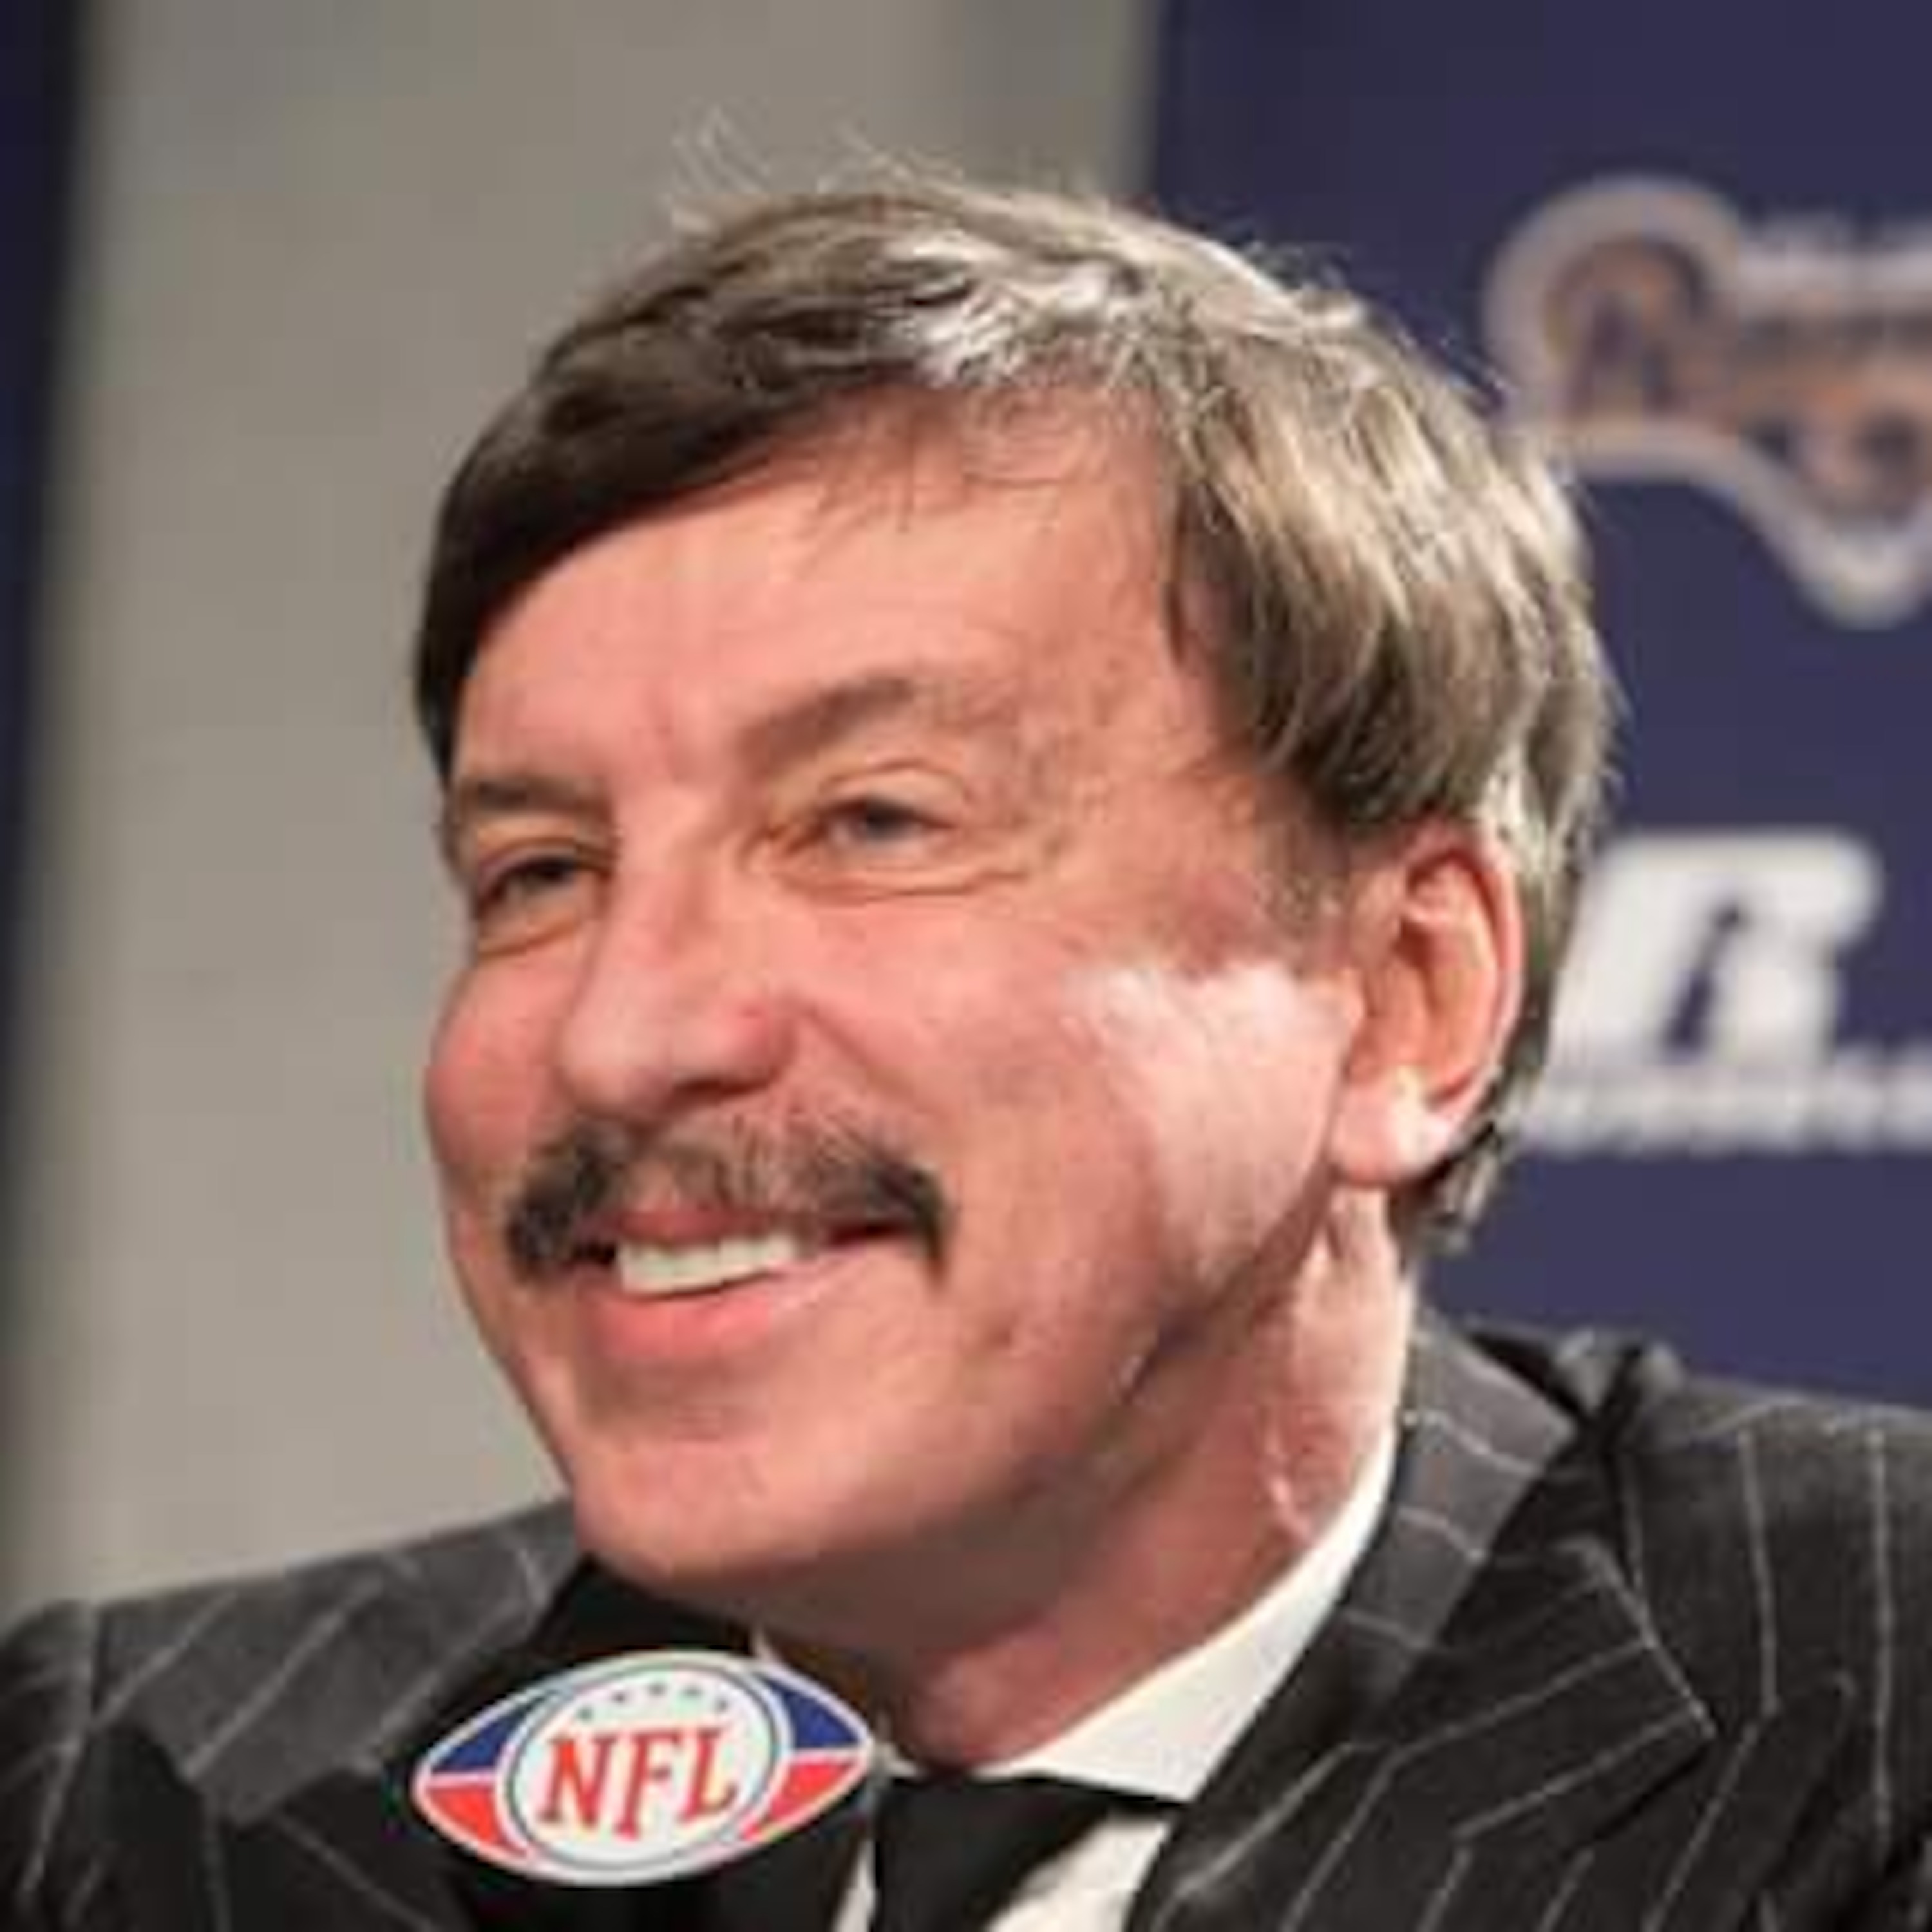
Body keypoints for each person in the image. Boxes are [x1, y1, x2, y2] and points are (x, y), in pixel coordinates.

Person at [3, 171, 1929, 1931]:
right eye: (543, 871)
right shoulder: (124, 1805)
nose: (626, 1032)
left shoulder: (1871, 1715)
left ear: (1405, 995)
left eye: (872, 823)